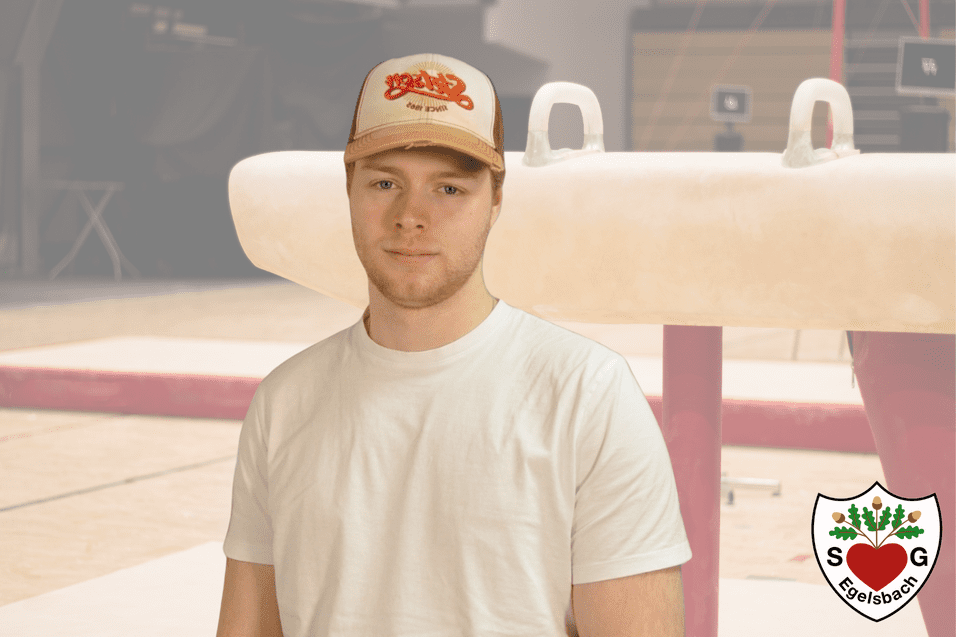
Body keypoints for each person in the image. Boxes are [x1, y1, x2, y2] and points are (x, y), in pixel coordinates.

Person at [216, 52, 691, 637]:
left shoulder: (587, 395)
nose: (411, 216)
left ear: (495, 200)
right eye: (385, 182)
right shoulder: (283, 402)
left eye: (448, 188)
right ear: (348, 190)